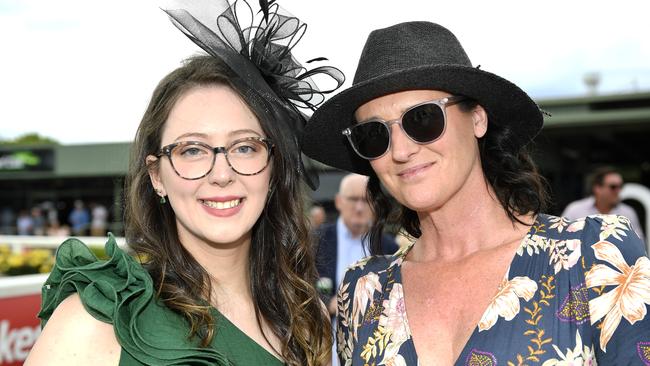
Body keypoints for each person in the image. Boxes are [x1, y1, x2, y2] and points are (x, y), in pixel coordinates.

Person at [302, 22, 650, 365]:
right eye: (374, 135)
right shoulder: (363, 291)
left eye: (422, 118)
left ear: (478, 119)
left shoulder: (595, 255)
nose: (400, 151)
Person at [26, 1, 342, 365]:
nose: (221, 174)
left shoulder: (306, 316)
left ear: (273, 168)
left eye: (244, 147)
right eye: (192, 150)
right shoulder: (97, 320)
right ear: (157, 176)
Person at [315, 173, 398, 314]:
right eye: (353, 199)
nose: (359, 208)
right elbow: (300, 287)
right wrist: (328, 304)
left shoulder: (389, 248)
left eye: (366, 200)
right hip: (325, 332)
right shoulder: (315, 240)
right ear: (338, 201)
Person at [563, 166, 645, 240]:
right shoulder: (575, 210)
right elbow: (561, 239)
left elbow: (639, 245)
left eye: (620, 186)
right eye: (613, 187)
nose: (618, 191)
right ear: (597, 188)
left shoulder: (628, 213)